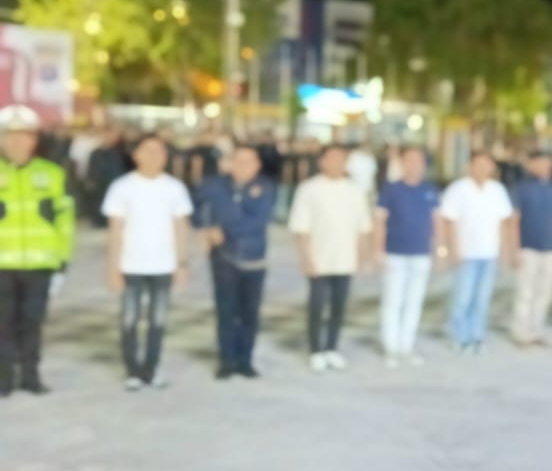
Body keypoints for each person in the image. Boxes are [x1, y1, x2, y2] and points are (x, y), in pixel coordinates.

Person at [103, 134, 194, 390]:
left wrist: (182, 263)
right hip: (130, 264)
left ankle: (151, 370)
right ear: (136, 155)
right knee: (129, 319)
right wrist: (112, 268)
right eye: (148, 150)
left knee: (159, 320)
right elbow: (115, 231)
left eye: (159, 151)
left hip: (163, 265)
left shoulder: (175, 188)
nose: (154, 156)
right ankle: (132, 370)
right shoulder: (122, 187)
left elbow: (181, 228)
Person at [0, 106, 75, 396]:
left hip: (40, 265)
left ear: (34, 140)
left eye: (25, 136)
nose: (18, 143)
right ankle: (4, 377)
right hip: (2, 266)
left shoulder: (52, 174)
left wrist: (62, 262)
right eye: (11, 136)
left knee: (32, 323)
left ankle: (31, 375)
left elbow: (65, 221)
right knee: (2, 325)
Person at [288, 144, 372, 373]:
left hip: (345, 261)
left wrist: (363, 258)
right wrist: (307, 259)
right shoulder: (309, 189)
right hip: (319, 261)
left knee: (339, 306)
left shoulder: (355, 191)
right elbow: (300, 228)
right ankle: (315, 349)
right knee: (316, 306)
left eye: (340, 159)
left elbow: (363, 228)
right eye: (331, 158)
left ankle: (332, 348)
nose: (336, 163)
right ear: (322, 161)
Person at [194, 144, 276, 380]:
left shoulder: (266, 188)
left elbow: (258, 221)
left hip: (254, 258)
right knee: (226, 310)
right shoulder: (214, 186)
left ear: (257, 165)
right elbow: (193, 206)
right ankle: (227, 360)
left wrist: (223, 229)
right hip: (223, 258)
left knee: (249, 312)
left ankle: (245, 360)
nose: (243, 167)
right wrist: (205, 227)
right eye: (238, 161)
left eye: (248, 162)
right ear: (230, 163)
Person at [439, 150, 515, 353]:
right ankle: (460, 337)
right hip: (466, 253)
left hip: (489, 253)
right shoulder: (458, 189)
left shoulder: (497, 190)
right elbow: (447, 221)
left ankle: (476, 336)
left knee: (481, 299)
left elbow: (504, 221)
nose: (482, 168)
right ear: (470, 166)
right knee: (462, 298)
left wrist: (506, 249)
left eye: (486, 164)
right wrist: (448, 249)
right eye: (478, 164)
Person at [374, 147, 441, 366]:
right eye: (410, 160)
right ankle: (391, 347)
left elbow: (436, 221)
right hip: (395, 253)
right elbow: (380, 221)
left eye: (418, 160)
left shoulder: (430, 190)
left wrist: (440, 248)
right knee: (393, 301)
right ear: (402, 163)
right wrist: (378, 250)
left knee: (414, 302)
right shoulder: (391, 189)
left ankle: (406, 346)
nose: (414, 164)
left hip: (421, 254)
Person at [509, 150, 552, 348]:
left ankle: (536, 330)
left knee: (544, 293)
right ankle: (521, 332)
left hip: (549, 248)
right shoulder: (521, 189)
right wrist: (515, 249)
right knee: (525, 292)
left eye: (547, 163)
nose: (544, 167)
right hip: (528, 247)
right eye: (540, 163)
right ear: (530, 165)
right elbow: (514, 220)